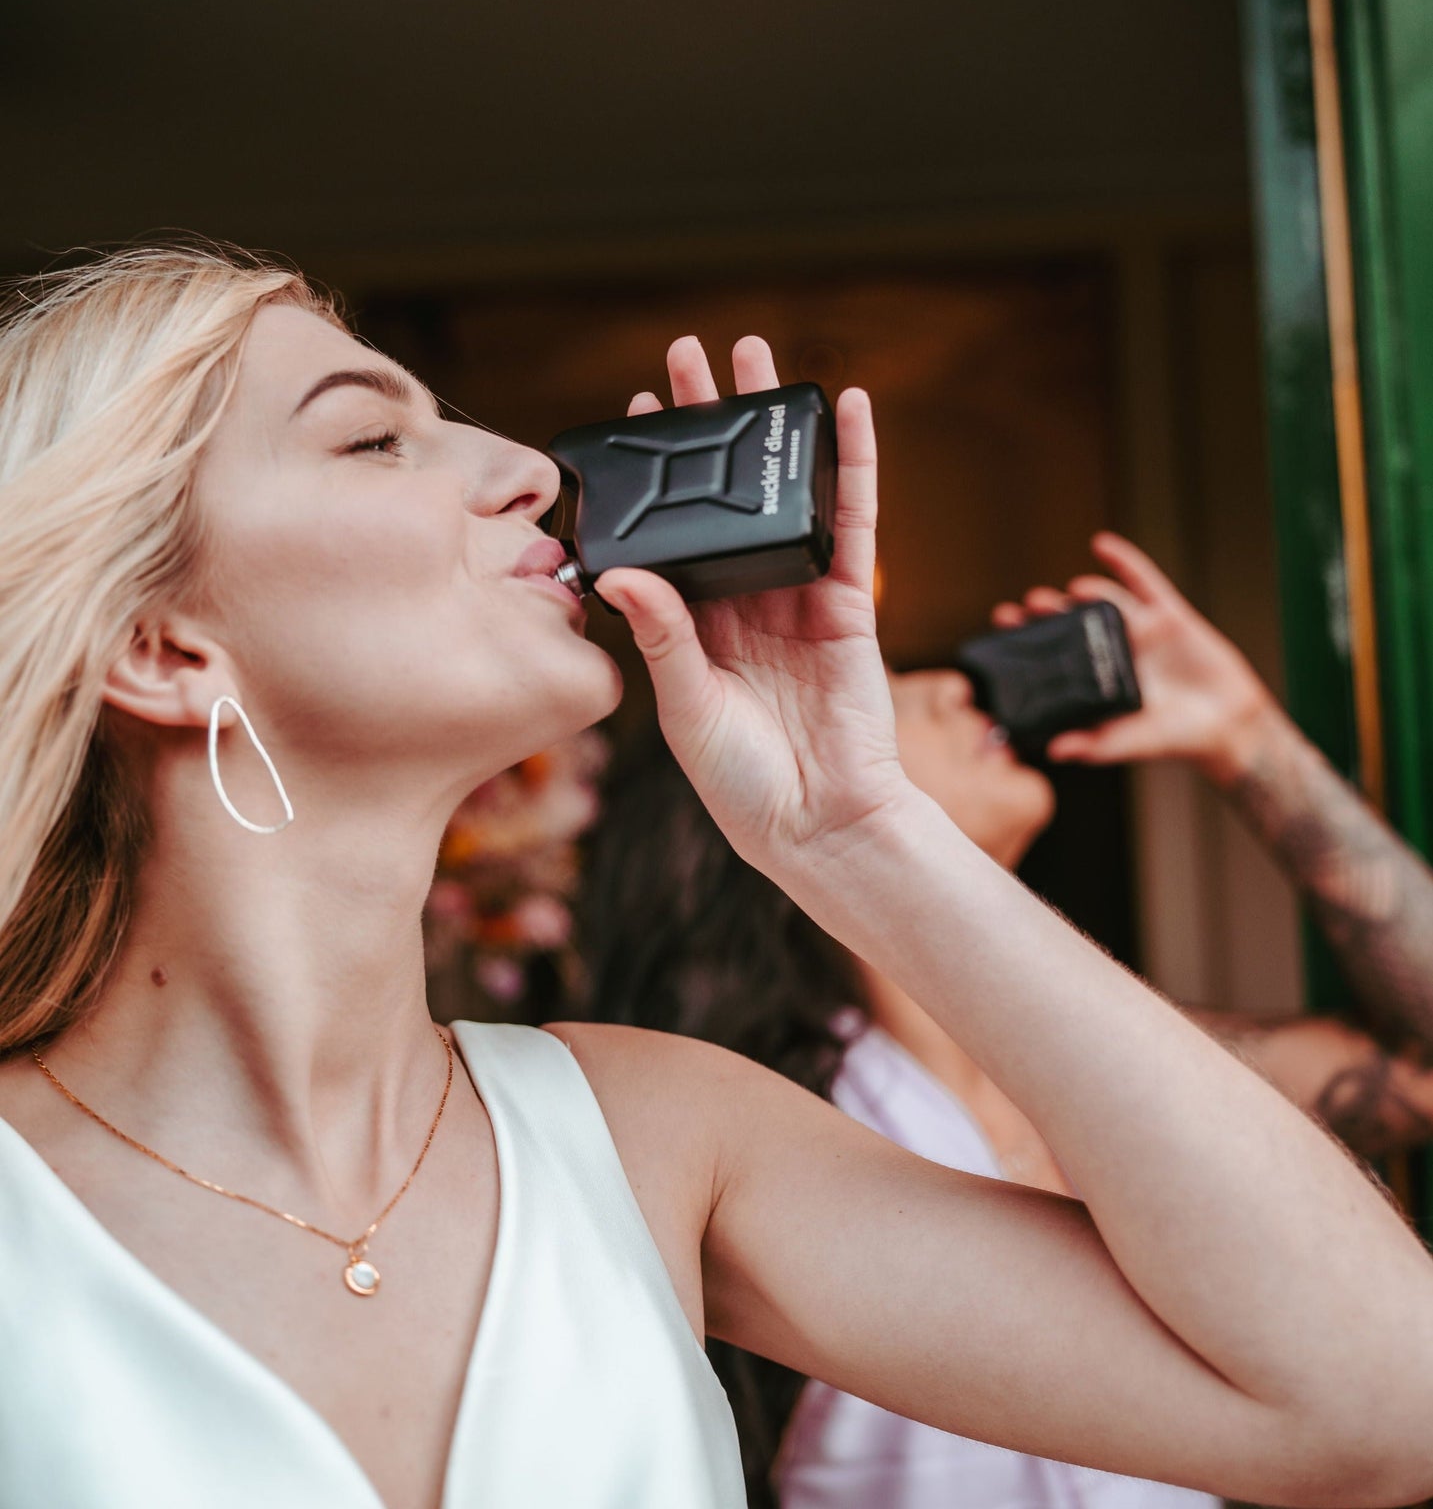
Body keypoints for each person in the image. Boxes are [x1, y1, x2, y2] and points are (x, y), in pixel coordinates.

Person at [2, 244, 1432, 1509]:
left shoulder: (659, 1138)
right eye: (373, 438)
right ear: (160, 648)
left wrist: (854, 833)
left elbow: (1381, 1401)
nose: (532, 468)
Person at [584, 535, 1433, 1509]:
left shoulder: (1130, 1083)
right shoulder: (750, 1134)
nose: (954, 687)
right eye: (888, 694)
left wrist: (1245, 740)